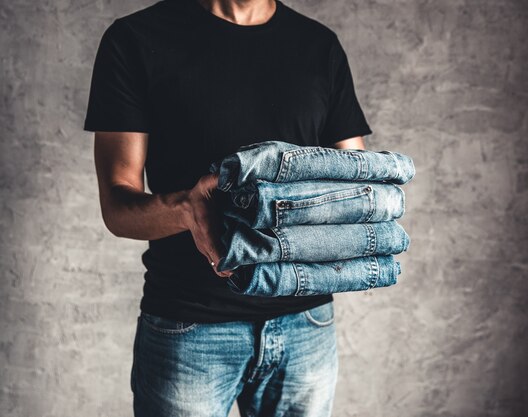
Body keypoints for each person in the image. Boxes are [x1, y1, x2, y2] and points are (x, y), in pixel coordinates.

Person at [83, 0, 372, 416]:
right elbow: (117, 206)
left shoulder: (319, 46)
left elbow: (355, 187)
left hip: (307, 322)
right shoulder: (135, 39)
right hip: (191, 326)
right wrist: (187, 209)